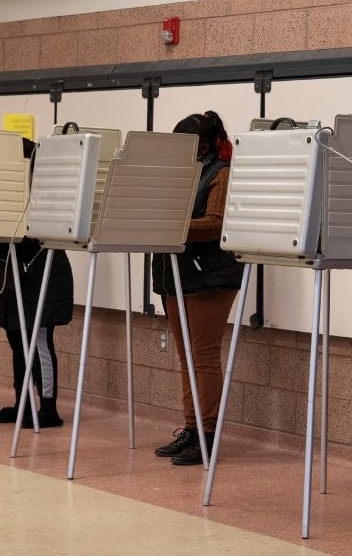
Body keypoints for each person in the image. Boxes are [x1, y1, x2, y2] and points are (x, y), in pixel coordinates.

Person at [151, 111, 243, 466]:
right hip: (177, 274)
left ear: (200, 146)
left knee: (202, 355)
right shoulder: (184, 172)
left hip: (210, 278)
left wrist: (171, 224)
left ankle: (207, 434)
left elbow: (217, 224)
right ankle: (192, 429)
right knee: (186, 356)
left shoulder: (220, 172)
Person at [0, 137, 74, 429]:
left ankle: (48, 409)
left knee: (39, 341)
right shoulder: (8, 191)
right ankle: (23, 404)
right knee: (16, 338)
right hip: (18, 275)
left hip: (44, 273)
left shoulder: (43, 190)